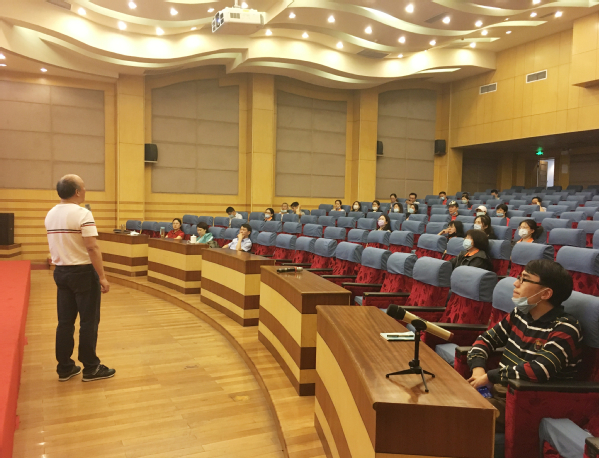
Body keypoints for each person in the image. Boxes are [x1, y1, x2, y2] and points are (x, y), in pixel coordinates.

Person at [467, 259, 582, 433]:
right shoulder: (520, 314)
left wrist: (491, 376)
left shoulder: (565, 327)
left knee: (458, 416)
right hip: (499, 393)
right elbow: (485, 340)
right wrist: (478, 370)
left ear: (545, 293)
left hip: (526, 404)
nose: (516, 283)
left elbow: (539, 369)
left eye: (524, 279)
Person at [44, 175, 115, 383]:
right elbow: (92, 247)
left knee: (65, 322)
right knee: (88, 321)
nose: (85, 190)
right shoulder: (83, 214)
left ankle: (65, 367)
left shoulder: (50, 214)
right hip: (83, 273)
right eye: (83, 187)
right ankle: (91, 368)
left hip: (61, 272)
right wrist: (102, 276)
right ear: (77, 192)